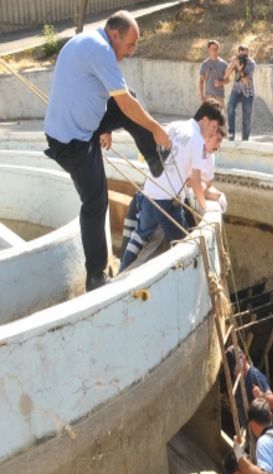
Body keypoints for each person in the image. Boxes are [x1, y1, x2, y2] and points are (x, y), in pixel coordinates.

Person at [43, 10, 171, 291]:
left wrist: (104, 126)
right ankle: (96, 276)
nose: (130, 51)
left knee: (131, 101)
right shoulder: (100, 49)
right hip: (72, 143)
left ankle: (152, 158)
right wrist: (157, 129)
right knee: (95, 203)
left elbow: (90, 90)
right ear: (115, 35)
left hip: (83, 127)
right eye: (130, 45)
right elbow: (124, 104)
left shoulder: (90, 42)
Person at [120, 99, 224, 271]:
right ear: (205, 120)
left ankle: (121, 272)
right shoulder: (197, 140)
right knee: (186, 248)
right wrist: (205, 209)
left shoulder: (174, 126)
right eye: (213, 127)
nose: (213, 133)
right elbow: (197, 182)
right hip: (167, 202)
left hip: (148, 193)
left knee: (140, 235)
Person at [226, 346, 273, 427]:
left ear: (244, 358)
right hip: (249, 431)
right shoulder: (238, 380)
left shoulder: (255, 376)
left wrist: (261, 395)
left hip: (262, 432)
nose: (236, 372)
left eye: (238, 368)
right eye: (235, 370)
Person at [225, 45, 255, 141]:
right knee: (230, 107)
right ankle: (231, 134)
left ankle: (245, 139)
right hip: (237, 90)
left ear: (248, 54)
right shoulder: (236, 60)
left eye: (245, 56)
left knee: (246, 118)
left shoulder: (251, 63)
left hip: (248, 92)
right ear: (238, 53)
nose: (243, 58)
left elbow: (246, 81)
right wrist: (233, 64)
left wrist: (241, 69)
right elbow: (225, 75)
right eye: (241, 55)